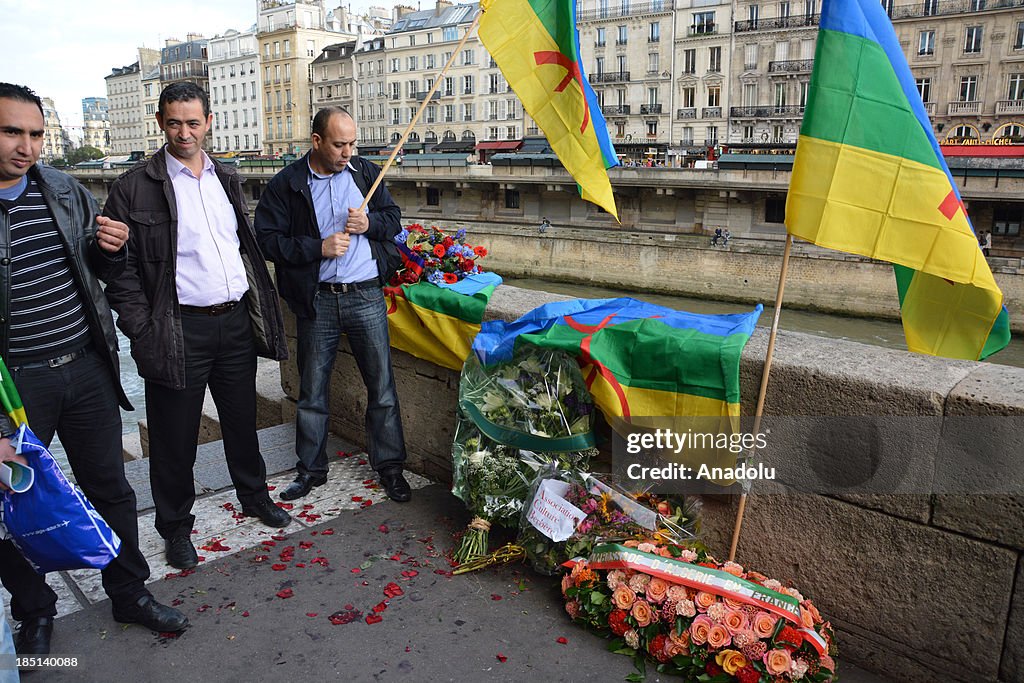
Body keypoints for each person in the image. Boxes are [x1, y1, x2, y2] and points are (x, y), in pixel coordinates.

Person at [0, 83, 187, 652]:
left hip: (85, 366)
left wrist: (113, 248)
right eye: (11, 132)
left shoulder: (63, 189)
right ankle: (33, 607)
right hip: (15, 384)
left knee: (111, 489)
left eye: (34, 134)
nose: (26, 146)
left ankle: (129, 592)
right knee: (9, 504)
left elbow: (101, 271)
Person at [103, 82, 291, 571]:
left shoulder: (225, 178)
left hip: (232, 322)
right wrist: (142, 331)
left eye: (192, 122)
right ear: (161, 124)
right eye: (173, 123)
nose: (184, 132)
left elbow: (241, 250)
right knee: (174, 437)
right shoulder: (133, 187)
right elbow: (119, 273)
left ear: (208, 122)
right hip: (176, 327)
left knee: (241, 420)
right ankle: (176, 527)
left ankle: (254, 495)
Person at [254, 106, 411, 503]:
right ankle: (310, 471)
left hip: (366, 295)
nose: (348, 152)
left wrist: (369, 225)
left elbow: (394, 220)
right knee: (312, 391)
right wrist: (317, 248)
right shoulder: (287, 184)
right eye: (340, 145)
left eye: (352, 143)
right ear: (317, 142)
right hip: (317, 301)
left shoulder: (365, 173)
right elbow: (267, 241)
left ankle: (390, 468)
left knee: (383, 388)